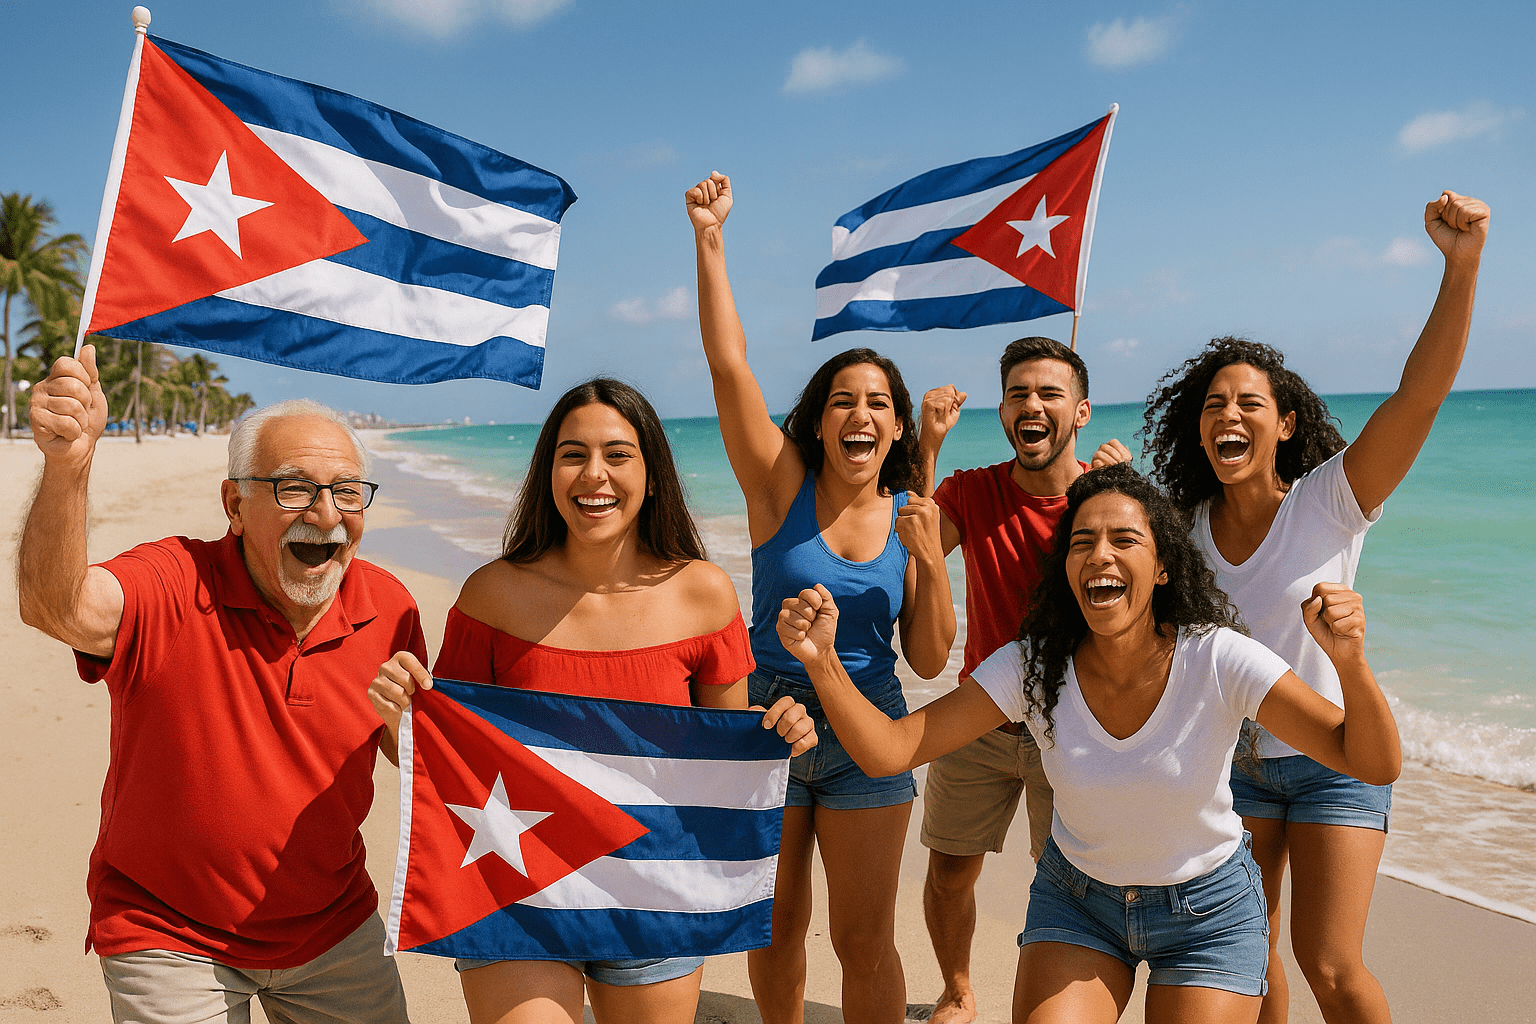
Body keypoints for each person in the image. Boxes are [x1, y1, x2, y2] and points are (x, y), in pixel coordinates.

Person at [776, 464, 1401, 1024]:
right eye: (1082, 543)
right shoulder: (1032, 666)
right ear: (1066, 569)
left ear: (1162, 567)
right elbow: (891, 750)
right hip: (1080, 904)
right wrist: (822, 661)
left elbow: (1372, 762)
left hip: (1207, 911)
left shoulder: (1216, 657)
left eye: (1124, 539)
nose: (1100, 554)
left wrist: (1351, 664)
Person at [1141, 190, 1489, 1024]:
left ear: (1286, 422)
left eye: (1249, 402)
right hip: (1235, 767)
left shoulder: (1331, 501)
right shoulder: (1180, 531)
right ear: (1198, 433)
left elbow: (1420, 396)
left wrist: (1461, 268)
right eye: (1214, 406)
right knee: (1248, 961)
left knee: (1329, 962)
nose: (1228, 414)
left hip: (1335, 757)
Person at [368, 378, 817, 1024]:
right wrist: (397, 723)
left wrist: (778, 726)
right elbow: (442, 762)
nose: (594, 474)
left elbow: (722, 744)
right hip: (516, 884)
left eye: (617, 453)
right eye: (572, 453)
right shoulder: (493, 595)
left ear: (653, 474)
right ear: (548, 471)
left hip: (653, 881)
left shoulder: (704, 595)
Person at [16, 345, 422, 1024]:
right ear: (235, 502)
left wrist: (407, 725)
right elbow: (57, 608)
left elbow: (405, 753)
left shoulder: (393, 606)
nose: (326, 514)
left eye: (347, 491)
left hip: (333, 923)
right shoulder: (174, 579)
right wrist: (68, 468)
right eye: (294, 488)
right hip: (168, 931)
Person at [687, 171, 955, 1024]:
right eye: (844, 400)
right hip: (768, 719)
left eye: (878, 402)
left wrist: (932, 561)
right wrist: (710, 238)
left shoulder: (908, 516)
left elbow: (927, 657)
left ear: (898, 426)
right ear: (820, 417)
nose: (860, 413)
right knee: (776, 926)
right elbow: (729, 368)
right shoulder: (780, 488)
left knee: (865, 942)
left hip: (870, 727)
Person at [914, 337, 1129, 1024]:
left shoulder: (1101, 504)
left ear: (1083, 411)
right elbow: (908, 555)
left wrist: (1127, 491)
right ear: (1003, 410)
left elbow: (1154, 589)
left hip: (1072, 725)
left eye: (1048, 393)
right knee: (950, 871)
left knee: (1068, 884)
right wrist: (926, 449)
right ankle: (957, 990)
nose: (1031, 405)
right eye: (1017, 394)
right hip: (976, 719)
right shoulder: (971, 490)